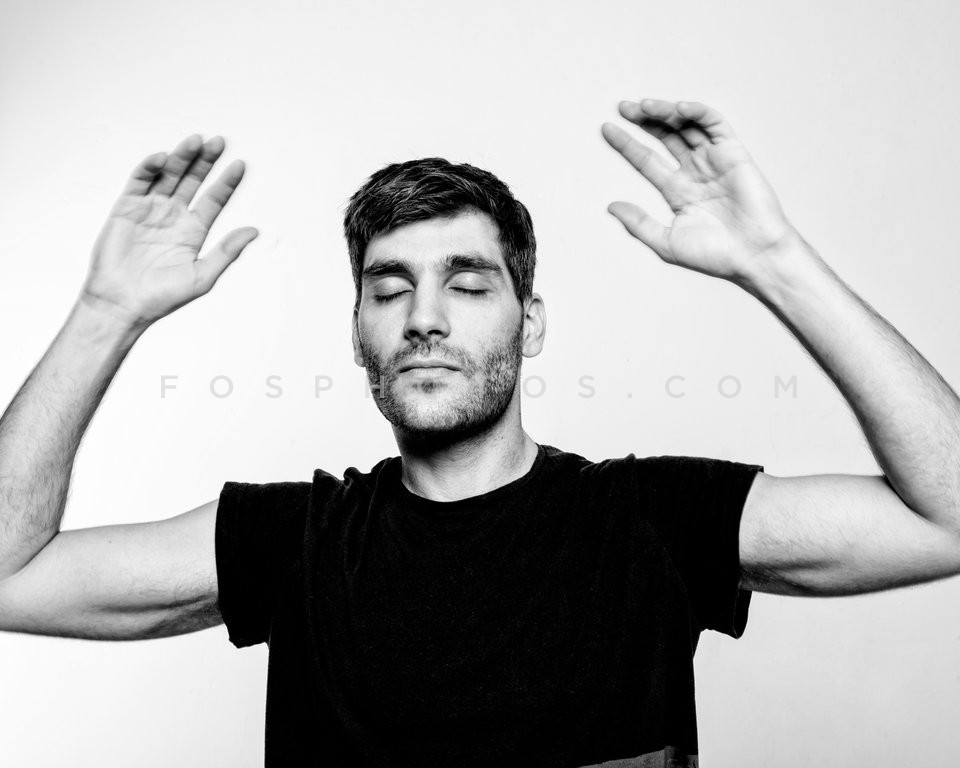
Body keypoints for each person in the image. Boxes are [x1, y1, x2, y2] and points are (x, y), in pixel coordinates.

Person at [1, 98, 959, 768]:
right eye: (389, 289)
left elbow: (948, 517)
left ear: (529, 324)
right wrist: (105, 313)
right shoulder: (294, 540)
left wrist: (777, 263)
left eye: (467, 284)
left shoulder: (651, 519)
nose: (425, 318)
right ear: (358, 331)